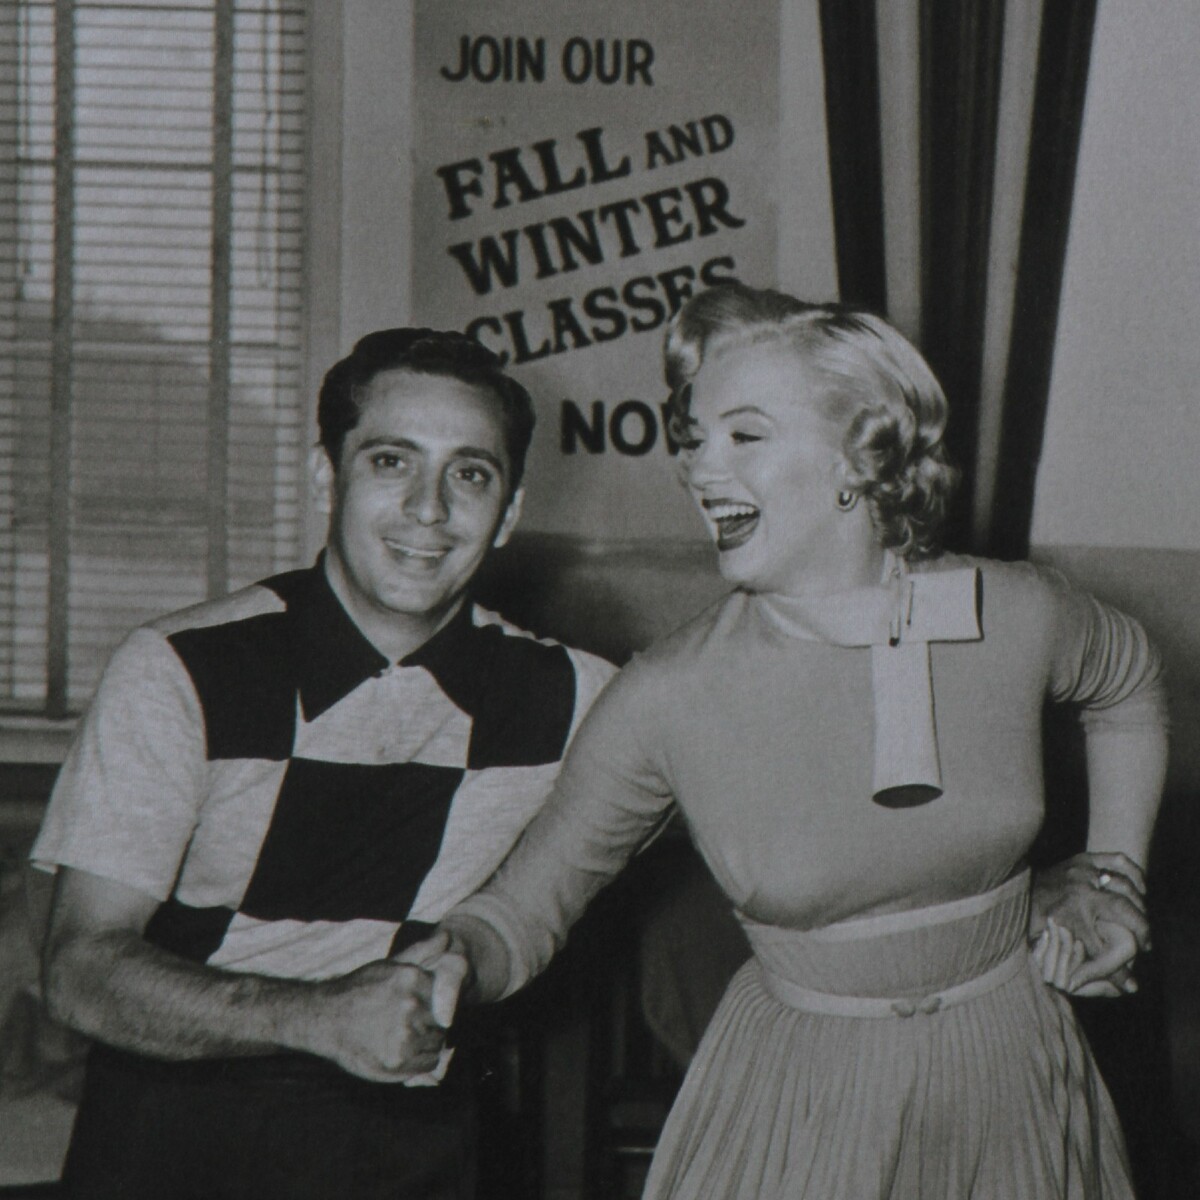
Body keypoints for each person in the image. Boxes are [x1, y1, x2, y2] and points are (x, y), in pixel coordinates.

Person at [437, 284, 1167, 1199]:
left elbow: (1128, 683)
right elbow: (522, 910)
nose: (698, 469)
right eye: (692, 438)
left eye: (744, 435)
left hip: (1016, 1077)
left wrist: (1113, 879)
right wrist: (447, 963)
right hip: (807, 1107)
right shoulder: (668, 694)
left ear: (858, 455)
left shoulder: (1015, 611)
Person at [30, 328, 615, 1200]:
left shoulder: (579, 698)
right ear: (324, 476)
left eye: (469, 474)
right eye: (391, 462)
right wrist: (316, 1017)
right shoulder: (182, 668)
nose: (428, 508)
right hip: (172, 1132)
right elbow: (78, 971)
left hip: (417, 1142)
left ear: (509, 513)